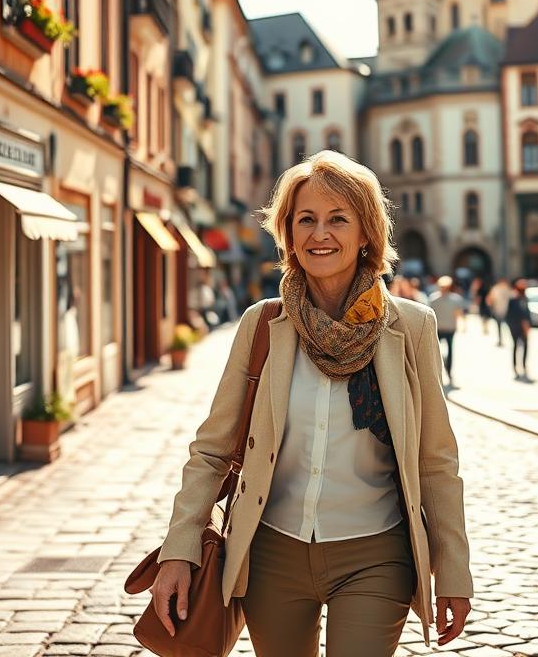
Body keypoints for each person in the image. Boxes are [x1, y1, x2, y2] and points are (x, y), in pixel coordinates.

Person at [149, 151, 473, 656]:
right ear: (289, 234)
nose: (320, 233)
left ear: (366, 232)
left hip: (377, 555)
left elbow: (435, 461)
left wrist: (452, 568)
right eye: (306, 220)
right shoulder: (263, 325)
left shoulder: (410, 327)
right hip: (271, 555)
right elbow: (212, 451)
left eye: (338, 219)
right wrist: (179, 550)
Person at [429, 275, 465, 384]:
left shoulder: (433, 298)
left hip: (440, 328)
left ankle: (439, 372)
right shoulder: (455, 299)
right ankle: (447, 372)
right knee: (448, 351)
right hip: (448, 328)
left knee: (437, 351)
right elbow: (459, 314)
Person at [505, 279, 531, 380]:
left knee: (525, 347)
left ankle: (524, 366)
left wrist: (528, 325)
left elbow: (527, 314)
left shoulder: (525, 299)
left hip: (525, 327)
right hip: (516, 327)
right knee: (516, 346)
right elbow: (510, 315)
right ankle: (515, 367)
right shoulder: (513, 300)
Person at [486, 278, 512, 346]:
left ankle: (502, 339)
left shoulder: (500, 289)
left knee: (501, 326)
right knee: (501, 326)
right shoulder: (498, 289)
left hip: (502, 310)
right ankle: (502, 339)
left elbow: (489, 300)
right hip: (501, 310)